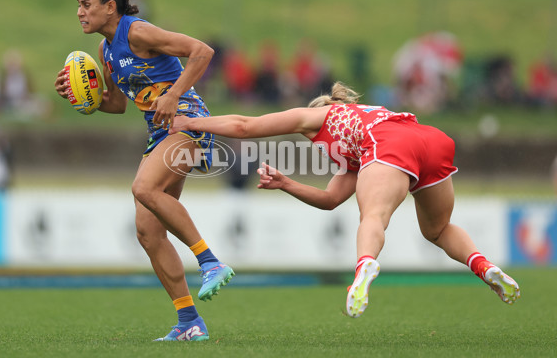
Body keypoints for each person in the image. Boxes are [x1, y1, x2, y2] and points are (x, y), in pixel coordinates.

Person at [169, 81, 521, 318]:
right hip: (429, 140)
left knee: (372, 217)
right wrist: (287, 183)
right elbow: (331, 199)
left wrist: (192, 121)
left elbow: (246, 125)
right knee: (438, 229)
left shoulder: (315, 116)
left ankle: (365, 265)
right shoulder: (359, 130)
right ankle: (483, 267)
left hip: (390, 147)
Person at [53, 0, 234, 341]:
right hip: (160, 134)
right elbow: (117, 105)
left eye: (86, 4)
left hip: (188, 121)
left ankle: (210, 261)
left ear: (110, 7)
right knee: (148, 232)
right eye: (78, 5)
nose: (79, 12)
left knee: (143, 188)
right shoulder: (105, 52)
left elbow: (202, 51)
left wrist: (173, 94)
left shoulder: (138, 32)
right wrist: (80, 99)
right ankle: (189, 322)